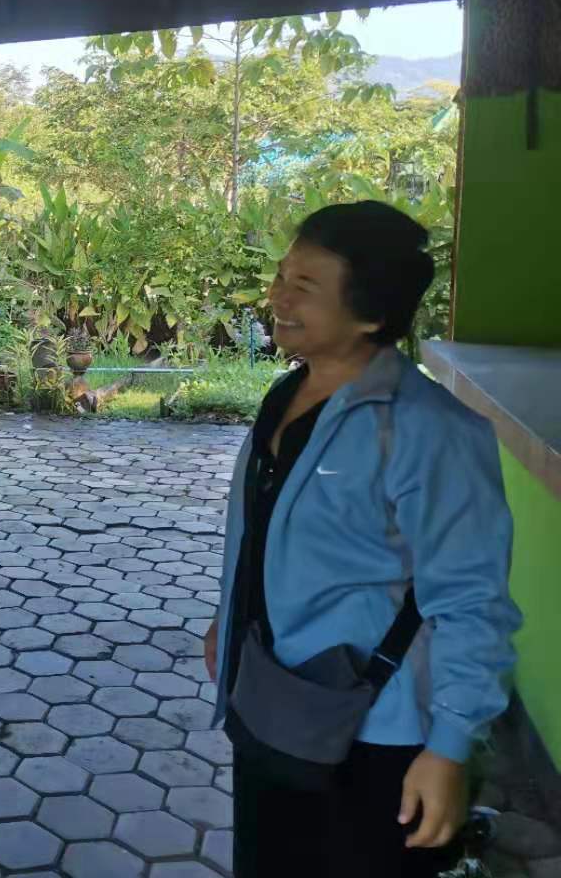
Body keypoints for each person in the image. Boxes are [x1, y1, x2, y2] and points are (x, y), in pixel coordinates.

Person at [204, 201, 521, 878]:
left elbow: (473, 601)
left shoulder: (428, 430)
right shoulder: (287, 394)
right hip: (272, 701)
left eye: (305, 286)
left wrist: (448, 749)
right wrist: (228, 623)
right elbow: (263, 532)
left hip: (378, 731)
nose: (278, 298)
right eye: (281, 276)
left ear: (371, 314)